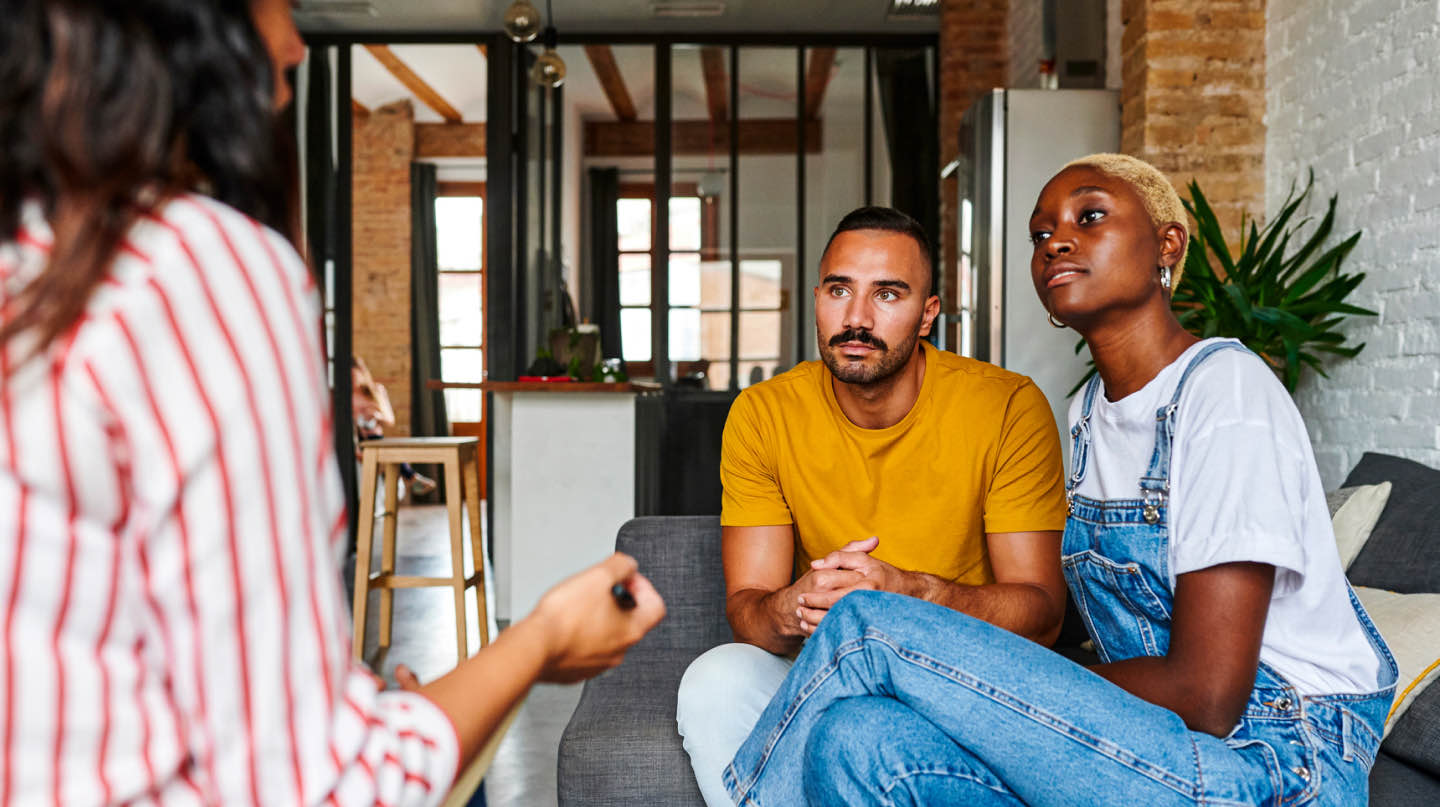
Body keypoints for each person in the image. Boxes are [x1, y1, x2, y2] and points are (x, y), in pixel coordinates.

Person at [0, 2, 663, 803]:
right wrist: (542, 638)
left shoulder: (37, 253)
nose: (296, 40)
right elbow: (319, 787)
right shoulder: (200, 270)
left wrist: (367, 702)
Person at [721, 154, 1397, 806]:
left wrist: (990, 678)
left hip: (1270, 761)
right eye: (1041, 233)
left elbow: (1210, 694)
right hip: (1144, 749)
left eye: (1090, 216)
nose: (1056, 243)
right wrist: (990, 686)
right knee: (856, 740)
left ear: (1167, 244)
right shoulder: (1086, 416)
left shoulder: (1225, 390)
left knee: (871, 621)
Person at [677, 206, 1071, 805]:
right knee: (714, 682)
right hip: (828, 667)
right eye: (840, 290)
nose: (856, 318)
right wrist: (796, 605)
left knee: (870, 729)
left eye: (887, 294)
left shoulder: (1007, 407)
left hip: (959, 677)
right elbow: (748, 612)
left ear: (927, 315)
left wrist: (910, 595)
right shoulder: (763, 414)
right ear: (817, 298)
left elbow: (1042, 614)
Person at [352, 355, 437, 498]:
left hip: (374, 437)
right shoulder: (341, 394)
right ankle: (410, 477)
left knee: (385, 447)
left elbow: (390, 420)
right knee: (387, 452)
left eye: (354, 376)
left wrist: (375, 416)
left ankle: (403, 480)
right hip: (355, 438)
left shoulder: (376, 390)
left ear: (361, 372)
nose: (352, 381)